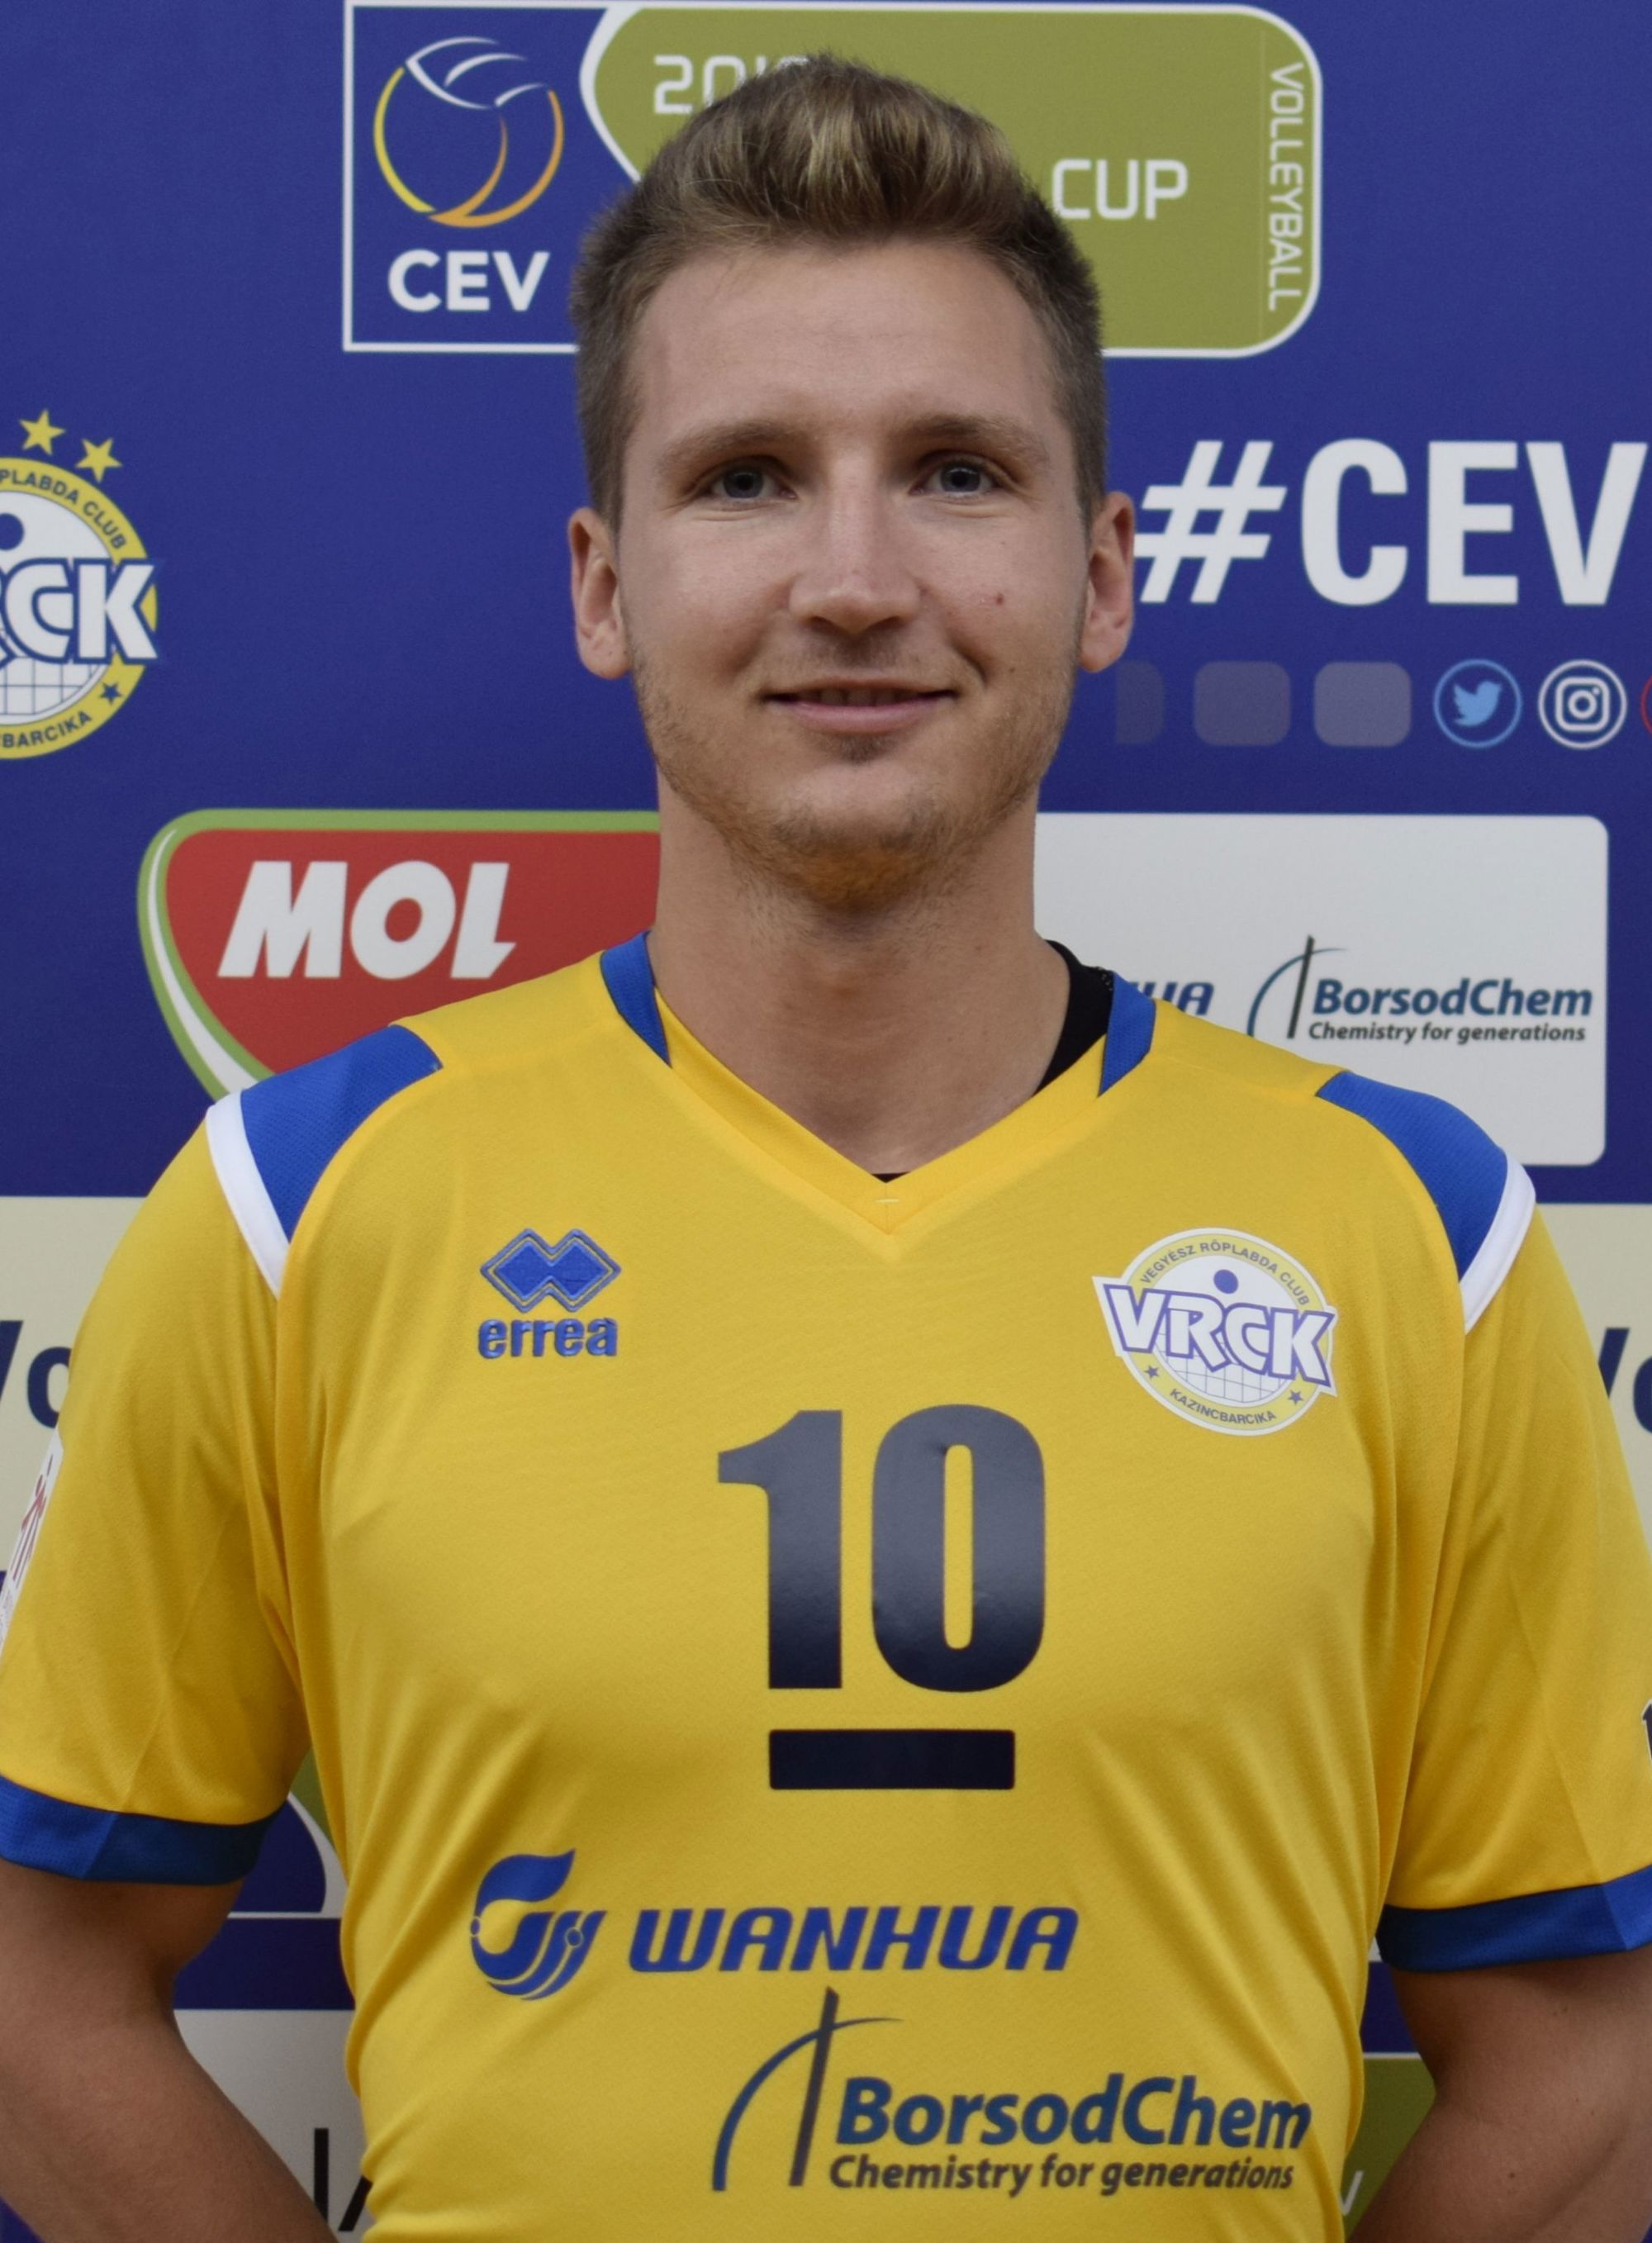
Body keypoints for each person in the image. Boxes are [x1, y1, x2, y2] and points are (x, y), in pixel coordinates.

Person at [0, 57, 1650, 2243]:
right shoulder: (304, 1212)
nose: (855, 579)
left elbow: (1584, 2059)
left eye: (956, 473)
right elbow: (38, 1984)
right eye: (749, 477)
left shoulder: (1409, 1236)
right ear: (606, 583)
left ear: (1102, 572)